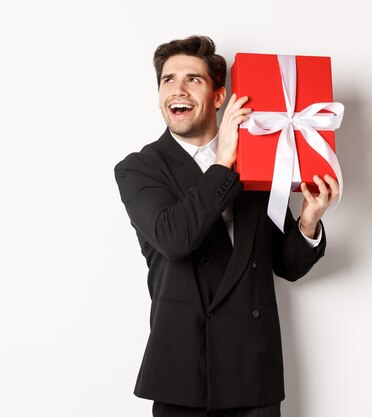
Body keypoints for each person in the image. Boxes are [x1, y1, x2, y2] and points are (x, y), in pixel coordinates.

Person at [114, 35, 339, 417]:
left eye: (192, 80)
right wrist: (224, 161)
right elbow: (175, 238)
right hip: (183, 373)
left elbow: (286, 265)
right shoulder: (139, 168)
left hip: (254, 370)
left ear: (220, 96)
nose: (177, 90)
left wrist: (308, 219)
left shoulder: (262, 161)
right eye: (168, 80)